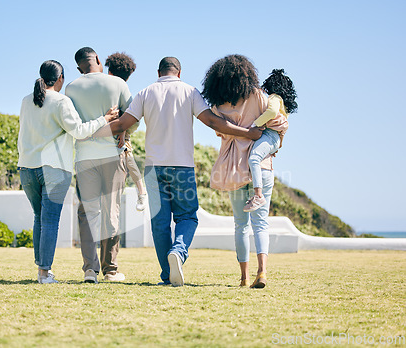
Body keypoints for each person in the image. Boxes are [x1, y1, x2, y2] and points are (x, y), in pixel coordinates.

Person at [90, 57, 263, 286]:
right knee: (187, 216)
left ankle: (167, 276)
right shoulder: (189, 91)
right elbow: (212, 122)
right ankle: (179, 252)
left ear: (158, 72)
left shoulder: (145, 93)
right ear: (178, 72)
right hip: (182, 166)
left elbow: (123, 123)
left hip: (154, 168)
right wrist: (246, 132)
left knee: (159, 223)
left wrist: (92, 132)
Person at [17, 60, 118, 284]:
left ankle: (42, 268)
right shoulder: (62, 101)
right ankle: (44, 272)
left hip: (26, 167)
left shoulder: (26, 101)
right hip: (54, 169)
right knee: (50, 220)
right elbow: (80, 131)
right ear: (60, 78)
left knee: (39, 217)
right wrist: (105, 118)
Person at [202, 54, 286, 289]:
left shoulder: (218, 106)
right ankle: (263, 273)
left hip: (234, 169)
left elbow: (220, 132)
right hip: (262, 167)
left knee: (241, 225)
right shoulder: (259, 96)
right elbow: (278, 123)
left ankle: (244, 277)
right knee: (261, 223)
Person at [65, 47, 132, 284]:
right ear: (98, 60)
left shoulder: (70, 88)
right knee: (111, 210)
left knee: (87, 213)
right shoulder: (117, 84)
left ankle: (89, 271)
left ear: (78, 67)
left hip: (84, 157)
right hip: (113, 156)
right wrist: (122, 131)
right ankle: (111, 270)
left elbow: (72, 125)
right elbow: (132, 116)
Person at [243, 69, 297, 212]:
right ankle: (258, 194)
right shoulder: (285, 105)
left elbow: (271, 112)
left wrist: (255, 123)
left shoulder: (274, 98)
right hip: (275, 138)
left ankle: (258, 195)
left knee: (254, 158)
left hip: (270, 134)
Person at [104, 52, 147, 211]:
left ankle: (141, 191)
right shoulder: (121, 87)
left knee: (127, 153)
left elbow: (127, 112)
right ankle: (141, 191)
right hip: (118, 128)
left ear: (109, 72)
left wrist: (122, 131)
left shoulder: (111, 87)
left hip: (120, 128)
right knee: (128, 156)